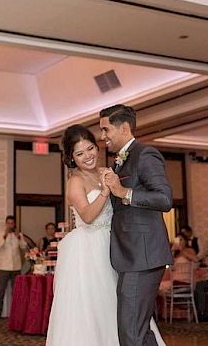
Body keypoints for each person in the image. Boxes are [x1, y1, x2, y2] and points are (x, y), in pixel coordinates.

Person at [46, 124, 165, 346]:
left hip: (116, 244)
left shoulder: (109, 172)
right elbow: (88, 216)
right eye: (80, 153)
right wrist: (105, 192)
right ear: (72, 158)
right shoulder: (75, 182)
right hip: (89, 250)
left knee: (124, 304)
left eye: (90, 148)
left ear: (96, 146)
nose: (88, 156)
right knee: (95, 307)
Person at [100, 104, 173, 346]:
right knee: (139, 332)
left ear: (123, 127)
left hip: (143, 257)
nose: (103, 137)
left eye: (105, 130)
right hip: (132, 256)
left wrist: (123, 191)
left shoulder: (145, 154)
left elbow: (164, 199)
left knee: (130, 333)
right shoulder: (120, 162)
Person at [0, 215, 27, 319]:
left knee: (16, 291)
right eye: (8, 223)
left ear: (14, 224)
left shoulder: (18, 235)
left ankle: (16, 312)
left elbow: (24, 246)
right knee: (1, 290)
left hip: (16, 267)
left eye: (12, 223)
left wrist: (19, 237)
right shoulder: (0, 234)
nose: (10, 225)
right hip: (4, 267)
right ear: (6, 224)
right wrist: (4, 236)